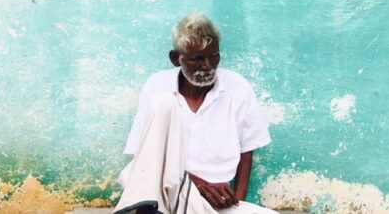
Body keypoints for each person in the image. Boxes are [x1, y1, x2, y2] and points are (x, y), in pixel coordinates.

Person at [113, 13, 275, 214]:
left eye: (213, 56)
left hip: (213, 200)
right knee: (137, 170)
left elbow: (247, 151)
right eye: (197, 58)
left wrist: (237, 203)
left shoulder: (237, 87)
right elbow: (146, 155)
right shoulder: (157, 86)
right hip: (165, 191)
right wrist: (196, 183)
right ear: (175, 58)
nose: (207, 65)